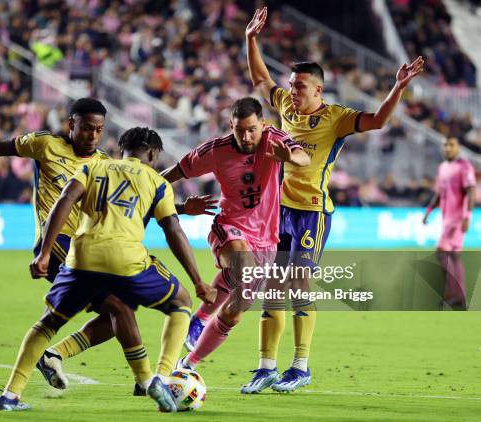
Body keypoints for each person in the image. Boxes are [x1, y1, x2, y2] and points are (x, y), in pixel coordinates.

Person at [184, 7, 424, 394]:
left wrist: (397, 88)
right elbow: (261, 79)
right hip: (279, 213)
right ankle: (265, 367)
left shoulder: (337, 117)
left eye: (299, 86)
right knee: (272, 287)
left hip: (312, 212)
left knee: (297, 282)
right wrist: (250, 40)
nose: (291, 90)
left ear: (318, 91)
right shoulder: (283, 107)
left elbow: (377, 121)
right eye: (291, 84)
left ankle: (300, 366)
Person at [0, 98, 213, 396]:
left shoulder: (104, 164)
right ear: (71, 124)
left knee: (117, 314)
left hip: (88, 244)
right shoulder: (46, 145)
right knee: (121, 309)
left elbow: (140, 198)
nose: (92, 135)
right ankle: (148, 381)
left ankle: (57, 358)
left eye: (98, 129)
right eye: (86, 128)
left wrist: (184, 207)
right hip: (57, 245)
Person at [0, 127, 216, 412]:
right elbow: (171, 227)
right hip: (126, 259)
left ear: (122, 149)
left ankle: (10, 395)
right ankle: (160, 376)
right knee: (180, 302)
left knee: (51, 321)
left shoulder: (93, 167)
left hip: (81, 258)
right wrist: (198, 280)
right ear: (152, 154)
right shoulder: (155, 180)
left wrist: (46, 252)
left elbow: (64, 201)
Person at [161, 97, 309, 373]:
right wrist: (143, 182)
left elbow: (303, 156)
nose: (246, 136)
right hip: (230, 226)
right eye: (240, 130)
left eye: (252, 129)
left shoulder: (274, 140)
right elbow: (175, 172)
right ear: (231, 125)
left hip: (267, 238)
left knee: (235, 310)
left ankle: (188, 363)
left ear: (263, 125)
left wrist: (289, 158)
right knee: (244, 267)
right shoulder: (216, 150)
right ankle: (199, 326)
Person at [423, 137, 476, 309]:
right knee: (447, 255)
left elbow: (471, 191)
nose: (447, 148)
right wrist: (428, 211)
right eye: (445, 145)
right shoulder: (443, 168)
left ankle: (457, 296)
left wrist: (467, 216)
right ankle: (455, 295)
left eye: (451, 145)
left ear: (458, 147)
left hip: (458, 219)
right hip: (446, 220)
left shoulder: (464, 167)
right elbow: (439, 193)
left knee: (448, 254)